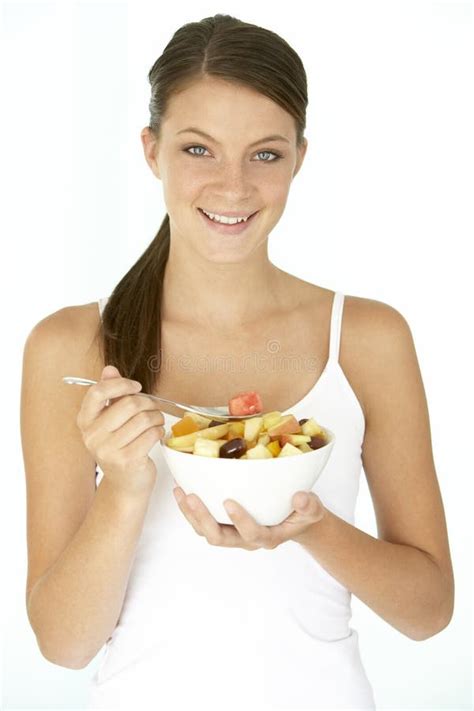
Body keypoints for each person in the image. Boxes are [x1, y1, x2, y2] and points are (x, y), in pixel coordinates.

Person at [20, 13, 454, 711]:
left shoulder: (369, 338)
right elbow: (64, 644)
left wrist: (307, 523)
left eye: (265, 154)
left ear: (300, 159)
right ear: (150, 150)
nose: (232, 187)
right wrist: (128, 484)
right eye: (198, 149)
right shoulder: (69, 347)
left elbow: (428, 609)